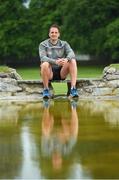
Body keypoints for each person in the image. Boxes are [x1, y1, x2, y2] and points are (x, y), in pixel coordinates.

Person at [39, 24, 79, 98]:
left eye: (56, 32)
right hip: (49, 72)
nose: (54, 34)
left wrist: (66, 59)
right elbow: (43, 57)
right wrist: (55, 62)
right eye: (52, 32)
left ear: (59, 34)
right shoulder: (43, 44)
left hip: (61, 72)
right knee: (44, 64)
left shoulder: (64, 44)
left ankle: (73, 89)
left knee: (72, 60)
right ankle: (46, 90)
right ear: (49, 34)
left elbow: (72, 53)